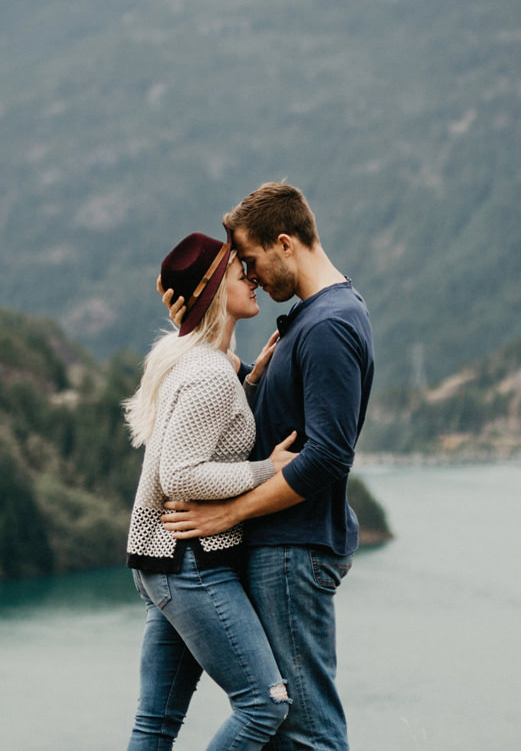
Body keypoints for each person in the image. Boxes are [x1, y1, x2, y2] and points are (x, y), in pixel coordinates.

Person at [161, 183, 375, 751]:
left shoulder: (327, 325)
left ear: (284, 243)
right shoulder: (311, 319)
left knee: (307, 732)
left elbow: (326, 457)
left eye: (251, 260)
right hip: (285, 547)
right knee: (284, 729)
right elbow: (261, 433)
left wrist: (228, 512)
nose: (251, 276)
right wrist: (204, 329)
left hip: (293, 549)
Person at [124, 230, 298, 751]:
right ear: (213, 288)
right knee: (264, 704)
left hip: (165, 562)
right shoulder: (208, 374)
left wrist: (247, 383)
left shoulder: (208, 365)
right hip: (192, 562)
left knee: (155, 723)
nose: (252, 278)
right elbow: (178, 475)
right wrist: (266, 470)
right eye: (238, 271)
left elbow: (209, 434)